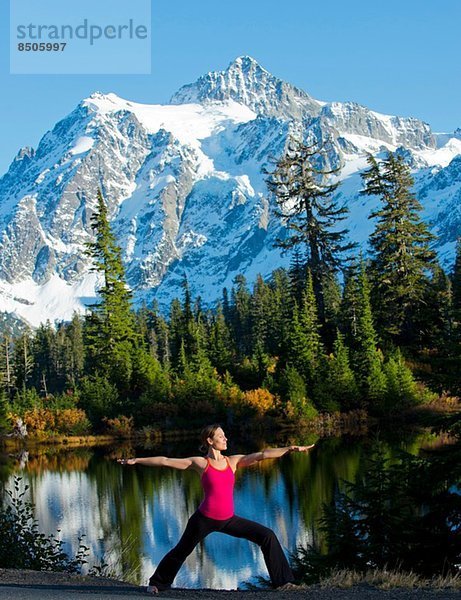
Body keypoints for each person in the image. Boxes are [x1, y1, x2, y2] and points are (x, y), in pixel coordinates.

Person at [118, 423, 314, 594]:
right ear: (210, 441)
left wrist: (290, 448)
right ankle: (157, 583)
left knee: (267, 535)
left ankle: (283, 583)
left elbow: (262, 455)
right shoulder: (201, 463)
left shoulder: (233, 461)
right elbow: (165, 461)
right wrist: (136, 461)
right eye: (221, 436)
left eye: (224, 435)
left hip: (228, 519)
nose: (225, 438)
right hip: (204, 519)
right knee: (181, 550)